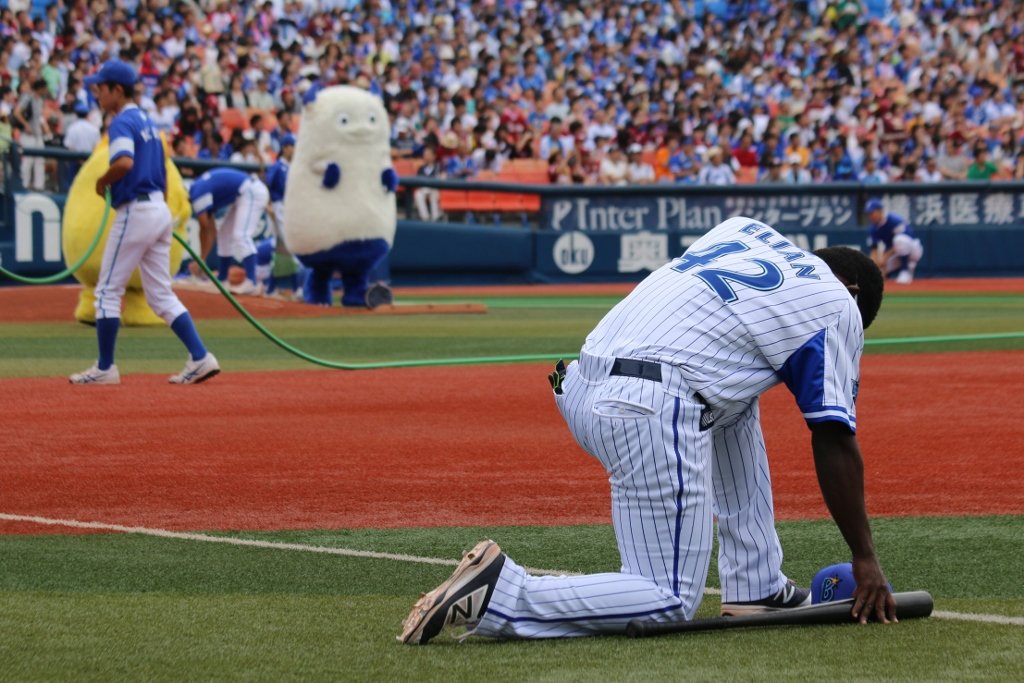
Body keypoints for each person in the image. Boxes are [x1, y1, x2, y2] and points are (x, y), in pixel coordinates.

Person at [400, 216, 895, 644]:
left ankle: (757, 585)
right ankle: (504, 593)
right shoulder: (837, 301)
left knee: (736, 397)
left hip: (576, 380)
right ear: (853, 292)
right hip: (649, 407)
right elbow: (833, 436)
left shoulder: (746, 232)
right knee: (668, 598)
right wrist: (865, 558)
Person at [69, 60, 219, 386]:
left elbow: (123, 162)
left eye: (101, 87)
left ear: (116, 90)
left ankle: (105, 368)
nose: (96, 93)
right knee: (160, 295)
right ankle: (200, 357)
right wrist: (159, 212)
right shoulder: (150, 122)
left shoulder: (122, 122)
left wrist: (102, 181)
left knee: (107, 290)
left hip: (136, 209)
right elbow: (164, 173)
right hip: (157, 208)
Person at [188, 167, 271, 296]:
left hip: (252, 191)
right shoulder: (198, 188)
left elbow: (204, 228)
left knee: (242, 235)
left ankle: (252, 283)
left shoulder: (198, 194)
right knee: (224, 234)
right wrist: (202, 260)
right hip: (243, 194)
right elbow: (211, 230)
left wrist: (201, 260)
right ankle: (222, 279)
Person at [864, 198, 924, 284]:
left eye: (872, 212)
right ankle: (908, 268)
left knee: (899, 240)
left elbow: (906, 239)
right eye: (868, 214)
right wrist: (874, 267)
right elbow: (874, 250)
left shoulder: (893, 220)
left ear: (880, 211)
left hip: (914, 249)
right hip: (896, 255)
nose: (870, 216)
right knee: (878, 273)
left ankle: (905, 270)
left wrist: (885, 256)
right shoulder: (873, 228)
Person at [14, 78, 51, 190]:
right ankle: (24, 185)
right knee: (27, 160)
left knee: (39, 160)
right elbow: (17, 112)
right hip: (27, 134)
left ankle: (39, 186)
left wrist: (44, 128)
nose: (46, 90)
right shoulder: (28, 98)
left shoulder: (39, 100)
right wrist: (26, 125)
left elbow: (38, 117)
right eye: (44, 88)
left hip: (37, 134)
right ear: (40, 88)